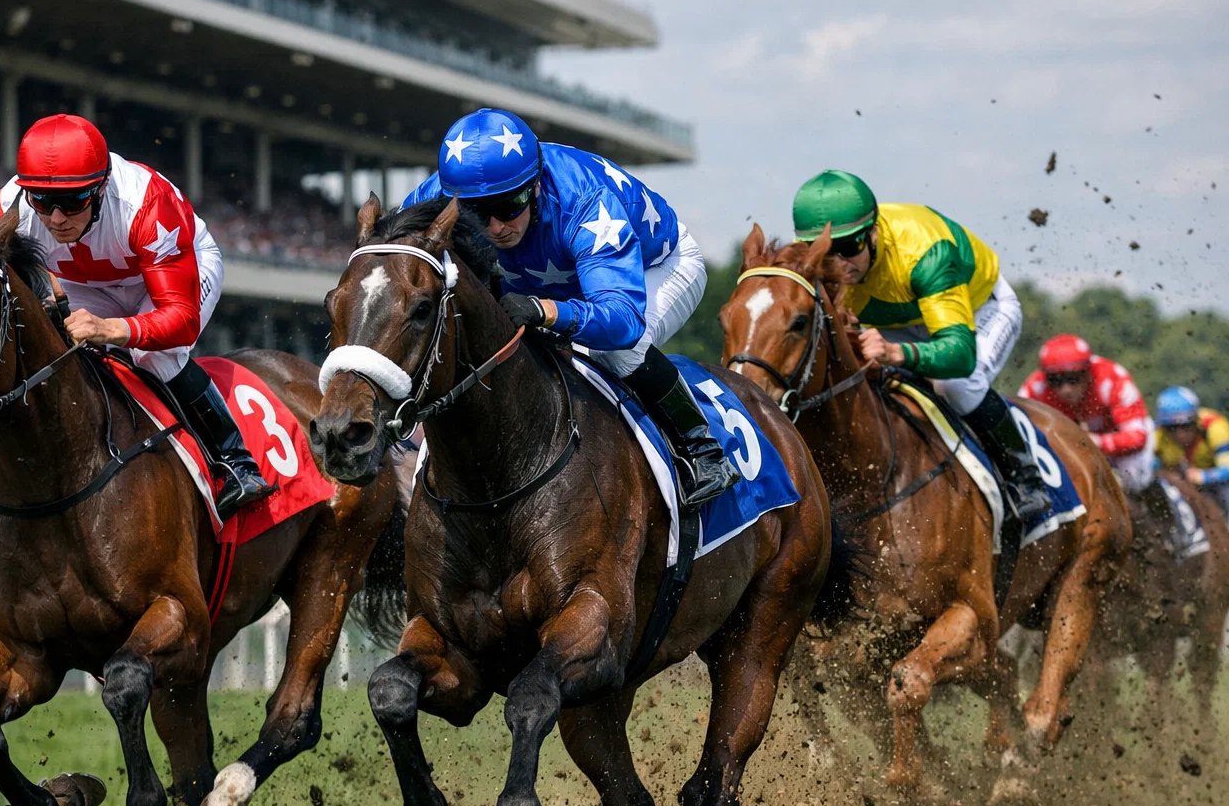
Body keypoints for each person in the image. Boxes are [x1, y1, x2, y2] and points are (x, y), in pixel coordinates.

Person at [401, 108, 738, 505]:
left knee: (617, 352)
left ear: (537, 186)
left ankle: (701, 448)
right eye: (477, 212)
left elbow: (623, 320)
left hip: (654, 268)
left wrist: (546, 311)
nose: (495, 227)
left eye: (511, 205)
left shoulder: (584, 201)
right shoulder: (432, 200)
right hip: (552, 281)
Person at [0, 114, 270, 519]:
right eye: (43, 203)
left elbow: (181, 320)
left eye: (72, 202)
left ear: (100, 188)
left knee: (155, 355)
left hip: (171, 274)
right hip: (87, 282)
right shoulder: (9, 205)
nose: (56, 219)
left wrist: (113, 329)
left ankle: (235, 462)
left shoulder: (146, 204)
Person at [792, 170, 1050, 519]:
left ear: (874, 232)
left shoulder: (925, 251)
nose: (838, 265)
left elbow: (958, 354)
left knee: (955, 384)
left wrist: (898, 353)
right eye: (824, 252)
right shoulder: (820, 270)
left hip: (977, 312)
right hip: (898, 325)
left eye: (850, 247)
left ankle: (1024, 476)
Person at [1018, 334, 1154, 493]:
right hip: (1070, 449)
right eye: (1056, 380)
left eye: (1073, 378)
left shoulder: (1112, 378)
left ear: (1088, 371)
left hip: (1117, 448)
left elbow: (1137, 437)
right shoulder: (1035, 389)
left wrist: (1096, 442)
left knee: (1135, 479)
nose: (1066, 389)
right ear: (1045, 376)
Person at [1154, 386, 1229, 516]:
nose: (1180, 434)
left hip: (1218, 483)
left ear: (1196, 420)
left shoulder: (1215, 427)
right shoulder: (1158, 434)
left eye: (1186, 425)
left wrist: (1204, 476)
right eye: (1171, 428)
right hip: (1182, 488)